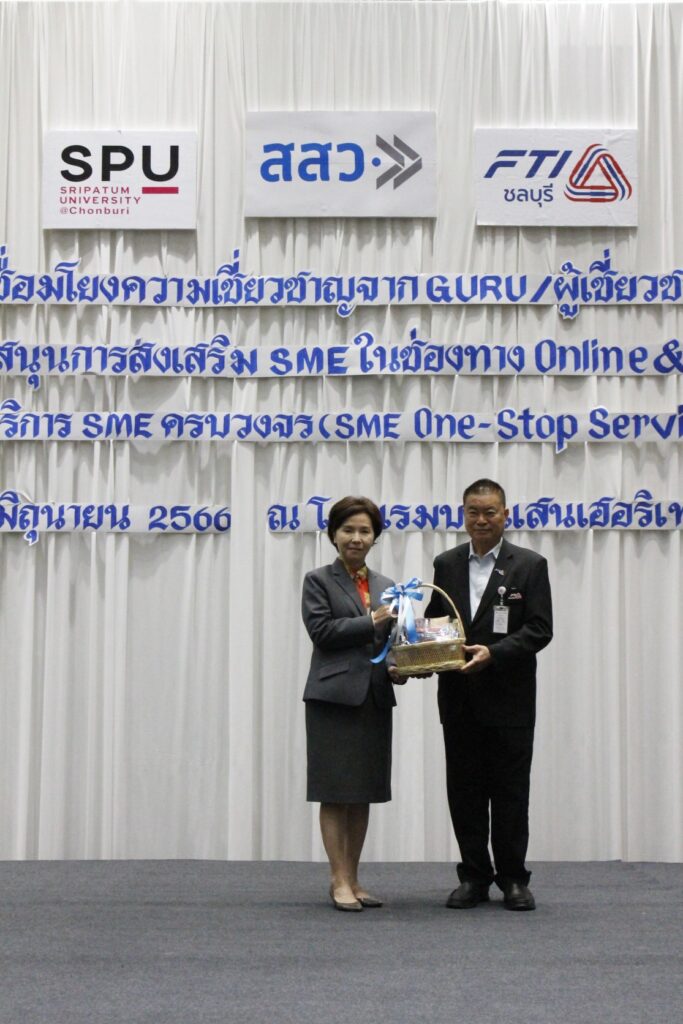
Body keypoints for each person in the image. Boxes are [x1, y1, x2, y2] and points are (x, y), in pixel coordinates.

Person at [424, 479, 553, 911]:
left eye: (490, 512)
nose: (481, 520)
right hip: (459, 698)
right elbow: (437, 624)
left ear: (505, 515)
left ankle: (513, 879)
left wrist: (493, 654)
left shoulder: (530, 565)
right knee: (465, 792)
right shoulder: (446, 563)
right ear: (463, 515)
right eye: (473, 512)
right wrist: (415, 656)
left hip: (510, 700)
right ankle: (474, 876)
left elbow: (540, 629)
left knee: (511, 793)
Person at [302, 496, 397, 912]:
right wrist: (370, 621)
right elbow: (322, 632)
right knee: (335, 791)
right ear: (333, 535)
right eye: (348, 530)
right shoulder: (318, 580)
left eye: (364, 531)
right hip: (333, 698)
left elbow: (390, 642)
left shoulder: (386, 585)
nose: (356, 538)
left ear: (375, 537)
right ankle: (337, 878)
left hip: (374, 697)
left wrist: (399, 666)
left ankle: (354, 878)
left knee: (362, 792)